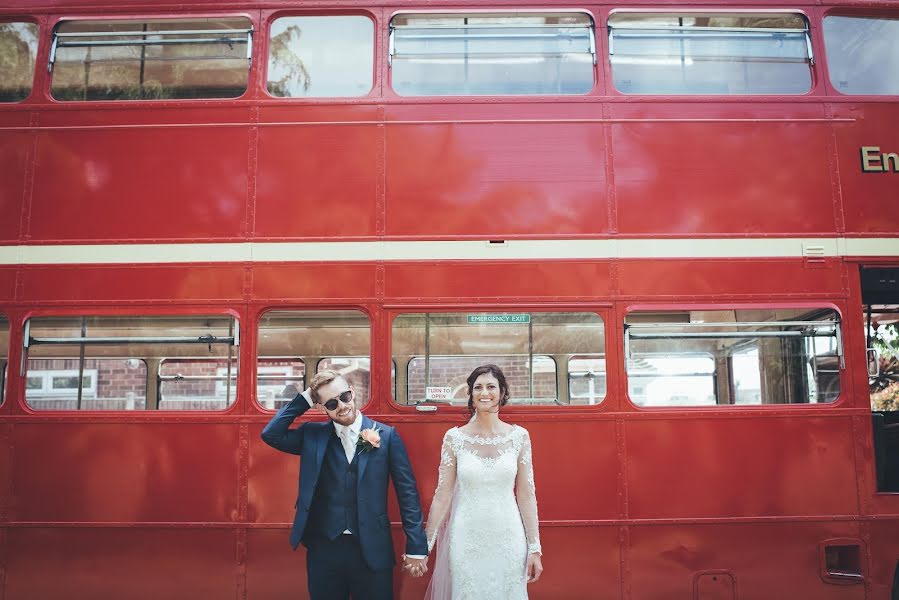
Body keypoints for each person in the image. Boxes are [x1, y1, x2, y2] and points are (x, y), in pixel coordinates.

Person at [261, 370, 429, 600]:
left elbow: (407, 494)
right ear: (322, 408)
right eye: (331, 403)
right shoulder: (312, 435)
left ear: (352, 392)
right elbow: (271, 434)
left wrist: (417, 546)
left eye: (344, 397)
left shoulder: (387, 436)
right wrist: (307, 398)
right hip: (324, 550)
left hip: (372, 548)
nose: (341, 406)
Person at [423, 364, 544, 600]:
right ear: (470, 395)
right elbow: (442, 495)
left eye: (491, 386)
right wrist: (425, 545)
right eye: (477, 387)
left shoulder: (519, 437)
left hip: (509, 537)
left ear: (502, 392)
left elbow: (527, 494)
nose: (484, 392)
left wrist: (534, 548)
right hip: (467, 538)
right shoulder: (454, 438)